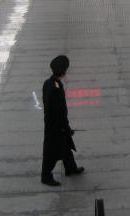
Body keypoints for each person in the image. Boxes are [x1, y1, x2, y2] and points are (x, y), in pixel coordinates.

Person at [41, 55, 84, 186]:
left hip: (53, 123)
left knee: (65, 146)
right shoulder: (56, 88)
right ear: (65, 71)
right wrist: (65, 127)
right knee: (51, 152)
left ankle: (70, 168)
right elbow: (58, 112)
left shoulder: (49, 83)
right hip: (55, 126)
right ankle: (46, 176)